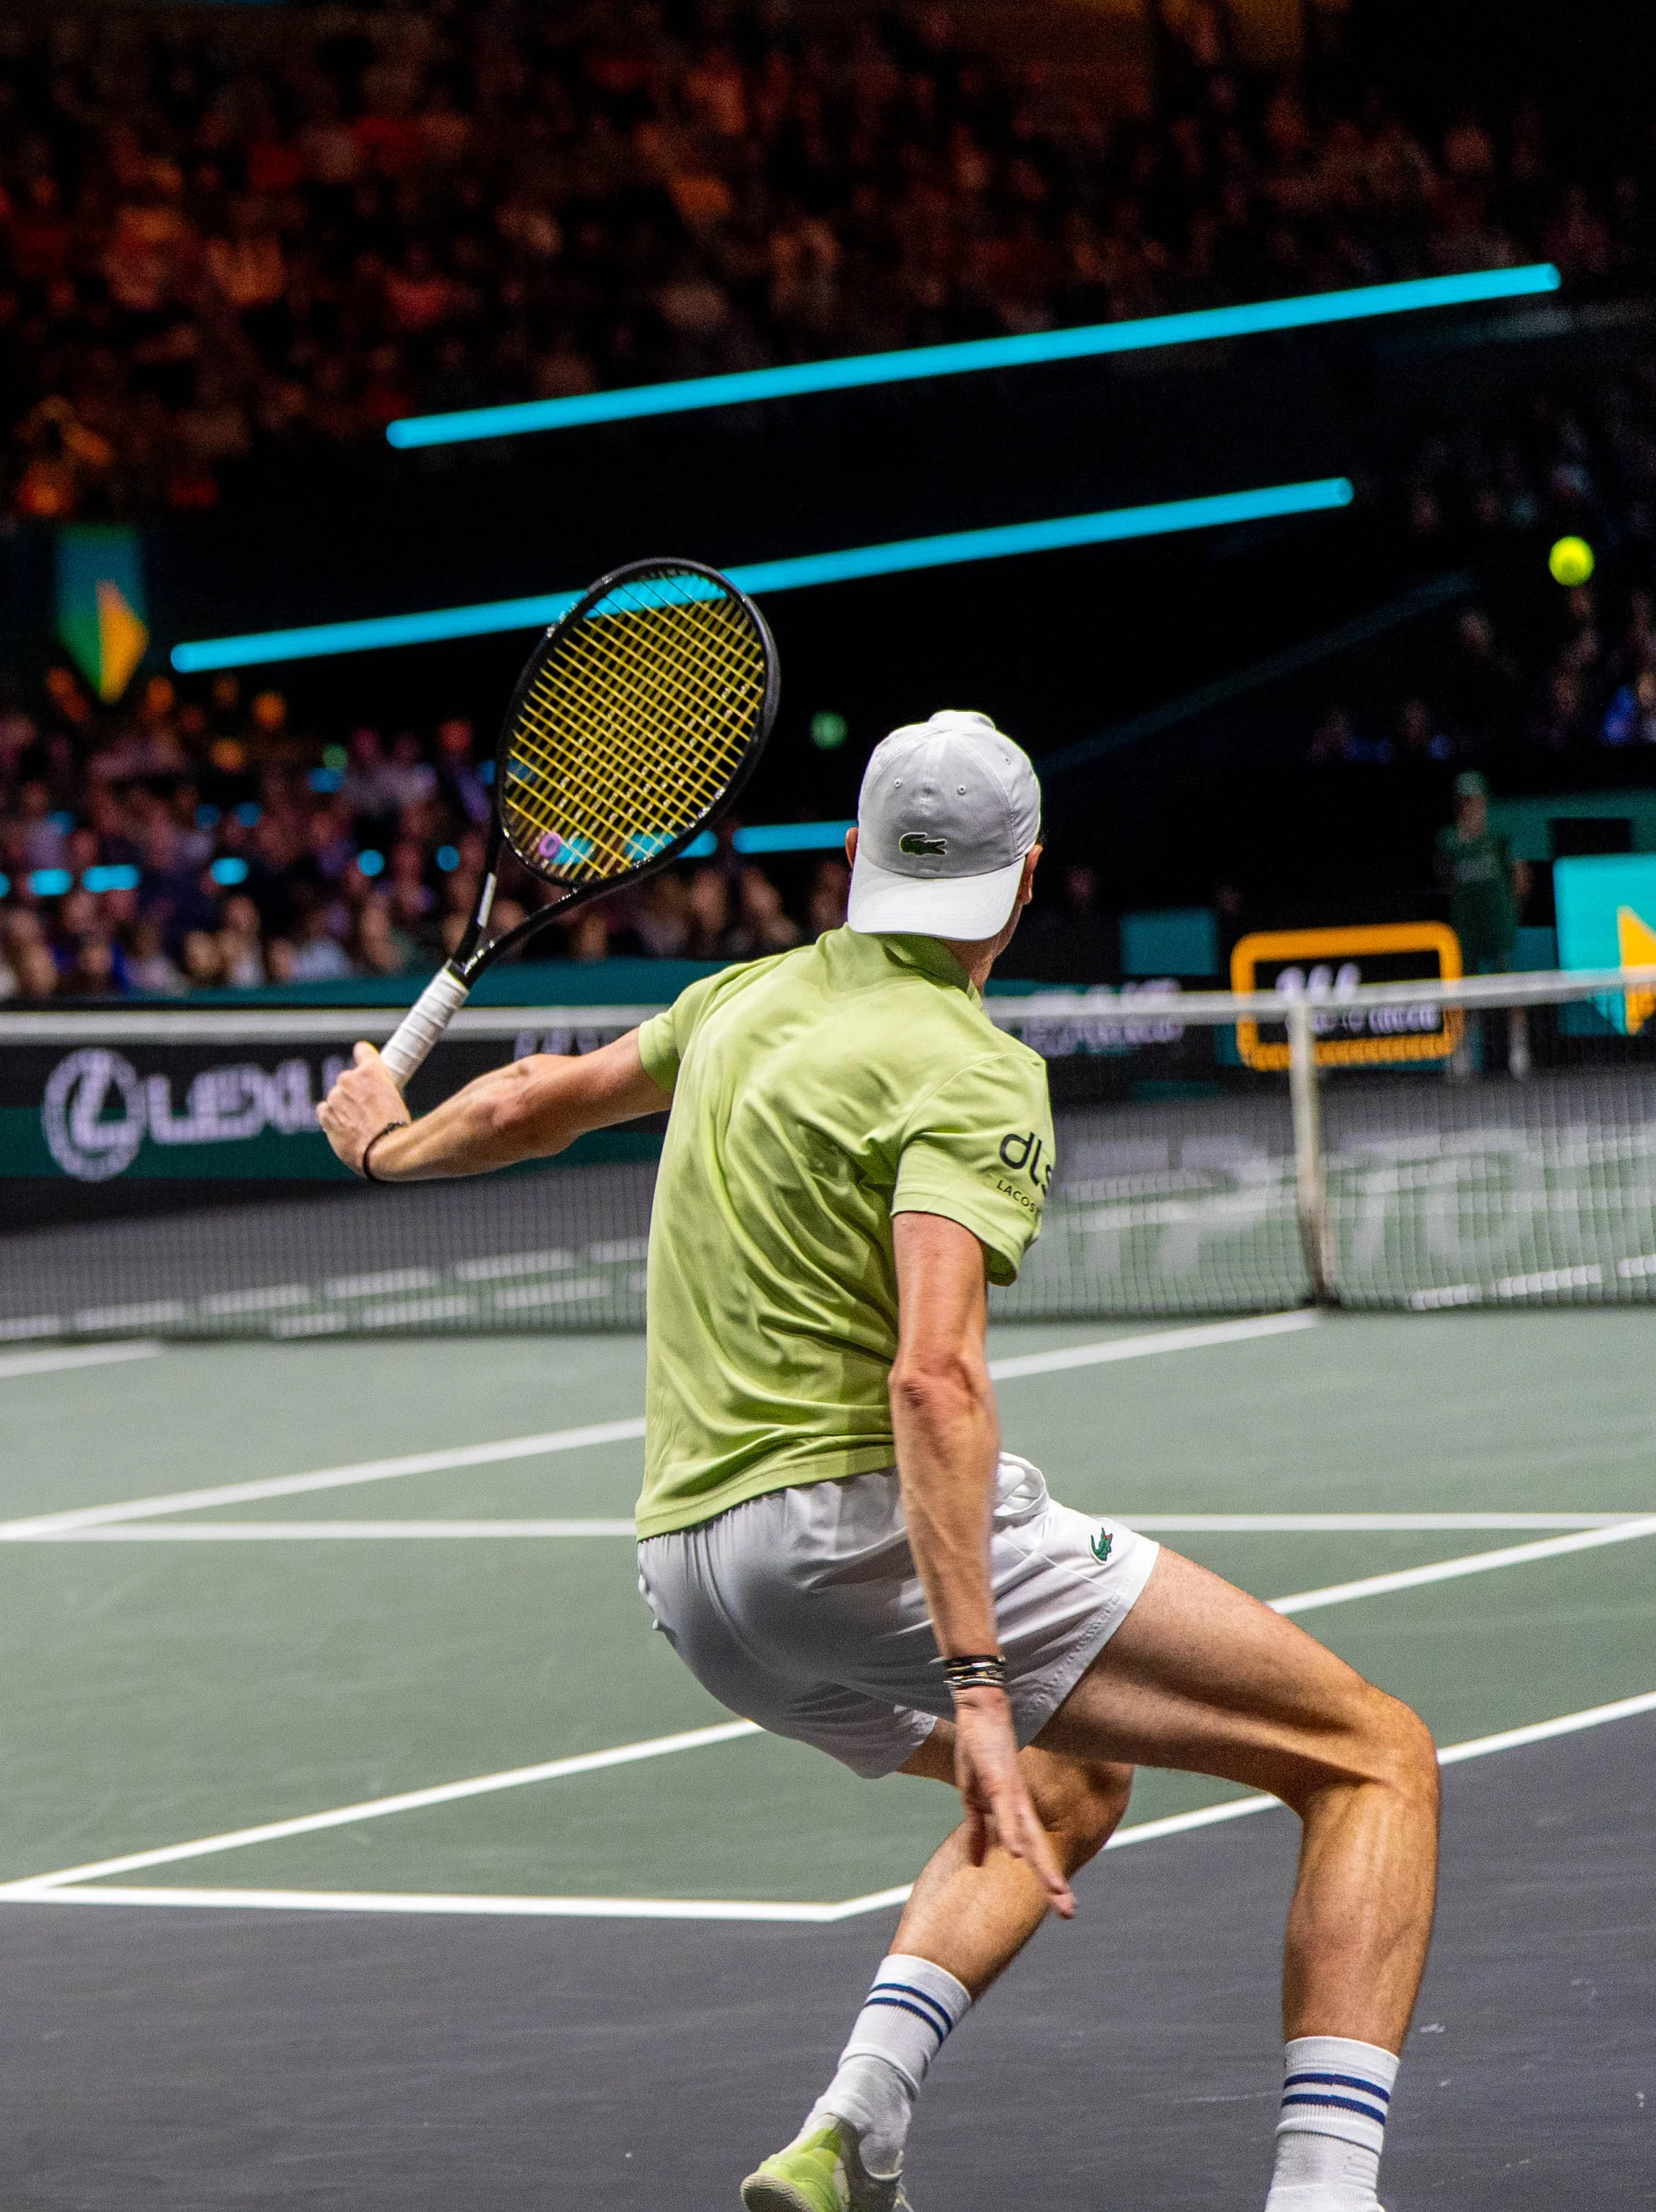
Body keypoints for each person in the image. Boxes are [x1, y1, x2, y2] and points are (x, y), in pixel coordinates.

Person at [319, 709, 1439, 2212]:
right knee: (1375, 1756)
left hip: (690, 1580)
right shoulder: (970, 1069)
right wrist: (977, 1682)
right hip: (846, 1537)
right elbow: (933, 1370)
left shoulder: (741, 998)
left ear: (854, 851)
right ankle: (1325, 2195)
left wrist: (385, 1142)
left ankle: (851, 2130)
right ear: (1028, 876)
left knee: (1077, 1773)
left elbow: (525, 1101)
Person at [1433, 769, 1531, 1078]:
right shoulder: (1448, 840)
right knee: (1464, 992)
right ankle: (1462, 1054)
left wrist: (1509, 912)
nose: (1470, 807)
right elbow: (1446, 878)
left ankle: (1519, 1051)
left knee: (1509, 987)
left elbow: (1521, 877)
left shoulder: (1499, 836)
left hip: (1497, 924)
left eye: (1475, 800)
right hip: (1466, 926)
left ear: (1484, 802)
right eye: (1464, 801)